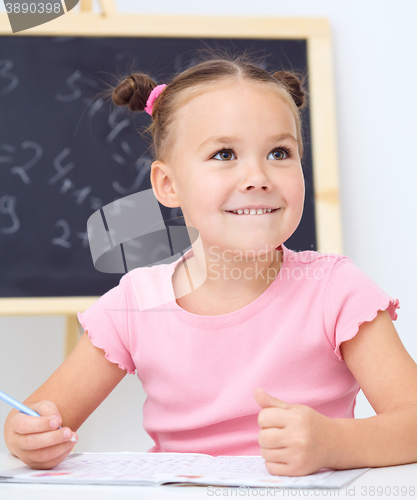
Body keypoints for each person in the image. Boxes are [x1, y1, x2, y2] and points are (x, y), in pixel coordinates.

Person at [4, 50, 417, 476]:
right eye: (224, 155)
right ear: (167, 184)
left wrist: (334, 445)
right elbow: (38, 415)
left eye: (279, 153)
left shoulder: (336, 290)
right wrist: (27, 435)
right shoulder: (136, 301)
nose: (258, 176)